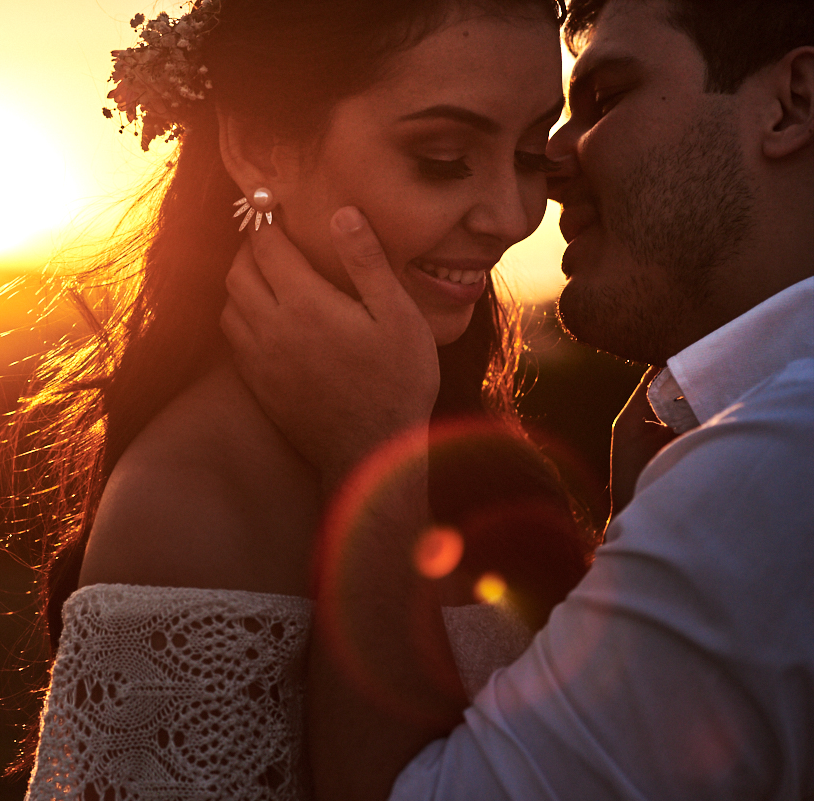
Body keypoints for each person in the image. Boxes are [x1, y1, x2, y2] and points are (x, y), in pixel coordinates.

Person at [221, 0, 814, 797]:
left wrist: (373, 449)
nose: (548, 173)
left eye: (607, 99)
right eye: (445, 155)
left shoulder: (770, 468)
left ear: (793, 103)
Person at [9, 0, 598, 798]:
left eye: (531, 153)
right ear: (260, 144)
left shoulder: (459, 431)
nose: (513, 216)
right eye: (444, 157)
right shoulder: (190, 508)